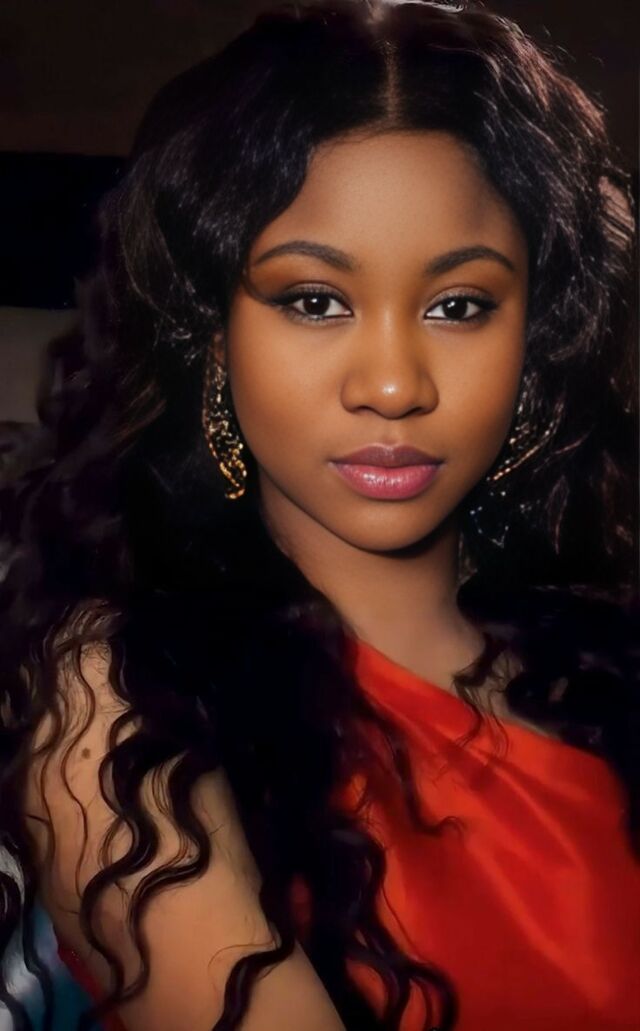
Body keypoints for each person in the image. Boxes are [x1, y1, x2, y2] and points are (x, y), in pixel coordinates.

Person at [0, 1, 637, 1028]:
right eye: (313, 300)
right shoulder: (121, 698)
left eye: (458, 306)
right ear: (211, 333)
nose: (391, 385)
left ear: (538, 342)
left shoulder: (605, 665)